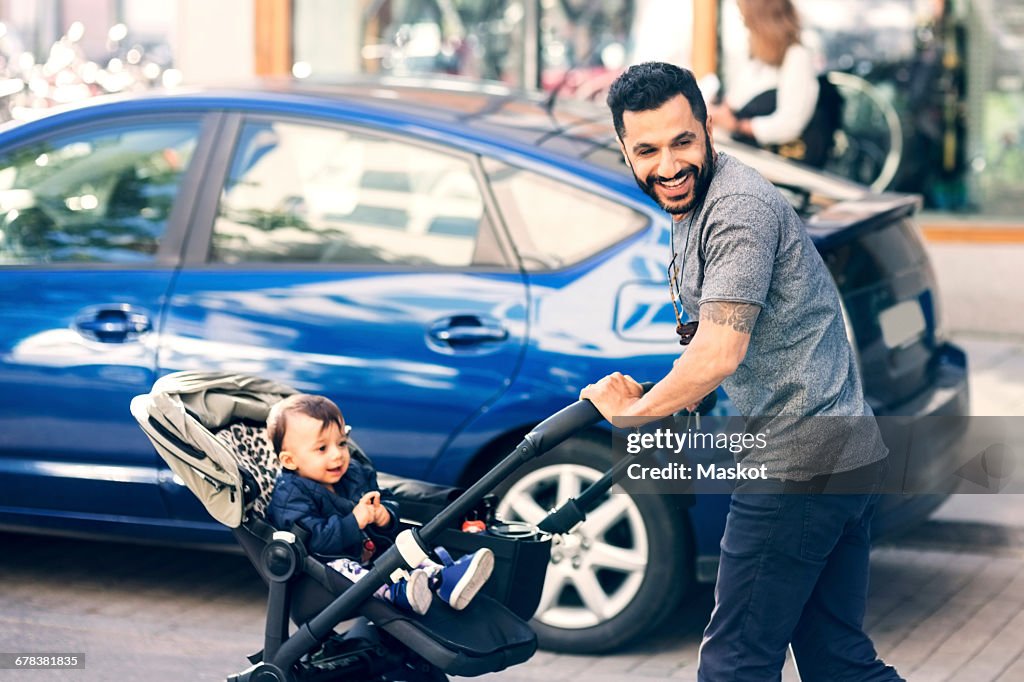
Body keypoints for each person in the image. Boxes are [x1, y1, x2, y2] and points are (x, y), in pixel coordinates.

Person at [583, 61, 903, 680]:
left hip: (800, 465)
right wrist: (666, 395)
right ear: (624, 149)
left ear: (707, 127)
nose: (669, 165)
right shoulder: (692, 205)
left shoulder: (738, 210)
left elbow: (719, 353)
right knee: (838, 662)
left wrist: (635, 415)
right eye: (647, 150)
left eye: (682, 141)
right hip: (845, 452)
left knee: (733, 664)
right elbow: (710, 350)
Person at [266, 393, 494, 616]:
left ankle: (444, 578)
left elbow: (384, 496)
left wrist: (385, 514)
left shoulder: (354, 473)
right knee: (343, 568)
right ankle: (393, 593)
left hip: (373, 553)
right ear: (289, 460)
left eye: (342, 443)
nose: (337, 455)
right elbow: (314, 541)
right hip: (326, 570)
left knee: (404, 547)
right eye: (322, 448)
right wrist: (354, 522)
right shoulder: (290, 495)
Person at [709, 0, 839, 168]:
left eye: (747, 19)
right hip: (744, 151)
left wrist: (738, 126)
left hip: (774, 161)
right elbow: (734, 100)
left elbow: (789, 123)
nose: (743, 22)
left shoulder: (796, 56)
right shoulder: (758, 58)